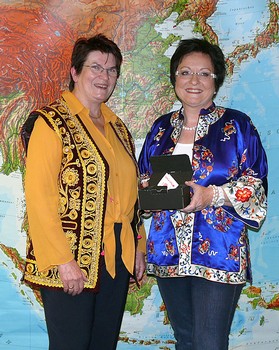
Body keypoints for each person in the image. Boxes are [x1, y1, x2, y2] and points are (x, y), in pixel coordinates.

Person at [138, 38, 268, 350]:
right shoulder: (159, 129)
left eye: (204, 74)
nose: (194, 81)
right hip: (168, 252)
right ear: (174, 79)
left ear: (216, 80)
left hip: (219, 252)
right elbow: (142, 180)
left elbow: (257, 182)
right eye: (185, 72)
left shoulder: (237, 126)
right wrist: (145, 191)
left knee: (209, 342)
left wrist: (211, 196)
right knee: (185, 340)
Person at [21, 34, 146, 350]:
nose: (104, 77)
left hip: (116, 260)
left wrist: (139, 247)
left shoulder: (118, 128)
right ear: (75, 72)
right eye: (96, 67)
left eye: (112, 70)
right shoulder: (50, 123)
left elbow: (129, 196)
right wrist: (64, 261)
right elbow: (40, 198)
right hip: (70, 262)